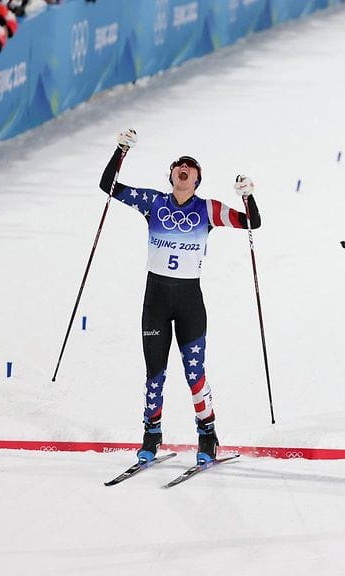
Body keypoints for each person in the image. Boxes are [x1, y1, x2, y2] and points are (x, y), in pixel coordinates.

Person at [99, 128, 261, 465]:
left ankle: (207, 434)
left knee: (194, 373)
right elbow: (108, 187)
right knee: (154, 372)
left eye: (191, 166)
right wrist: (121, 150)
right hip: (155, 300)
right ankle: (151, 434)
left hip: (189, 301)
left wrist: (247, 196)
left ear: (197, 178)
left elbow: (252, 223)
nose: (183, 168)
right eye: (178, 165)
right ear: (172, 175)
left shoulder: (208, 209)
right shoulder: (154, 203)